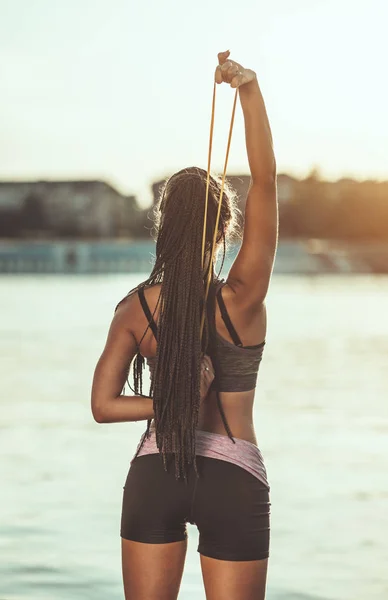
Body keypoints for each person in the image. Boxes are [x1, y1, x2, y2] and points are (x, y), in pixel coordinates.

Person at [91, 50, 278, 600]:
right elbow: (264, 181)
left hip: (156, 473)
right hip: (234, 480)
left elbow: (103, 407)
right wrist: (248, 90)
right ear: (224, 229)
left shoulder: (136, 310)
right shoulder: (242, 299)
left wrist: (168, 403)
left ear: (163, 226)